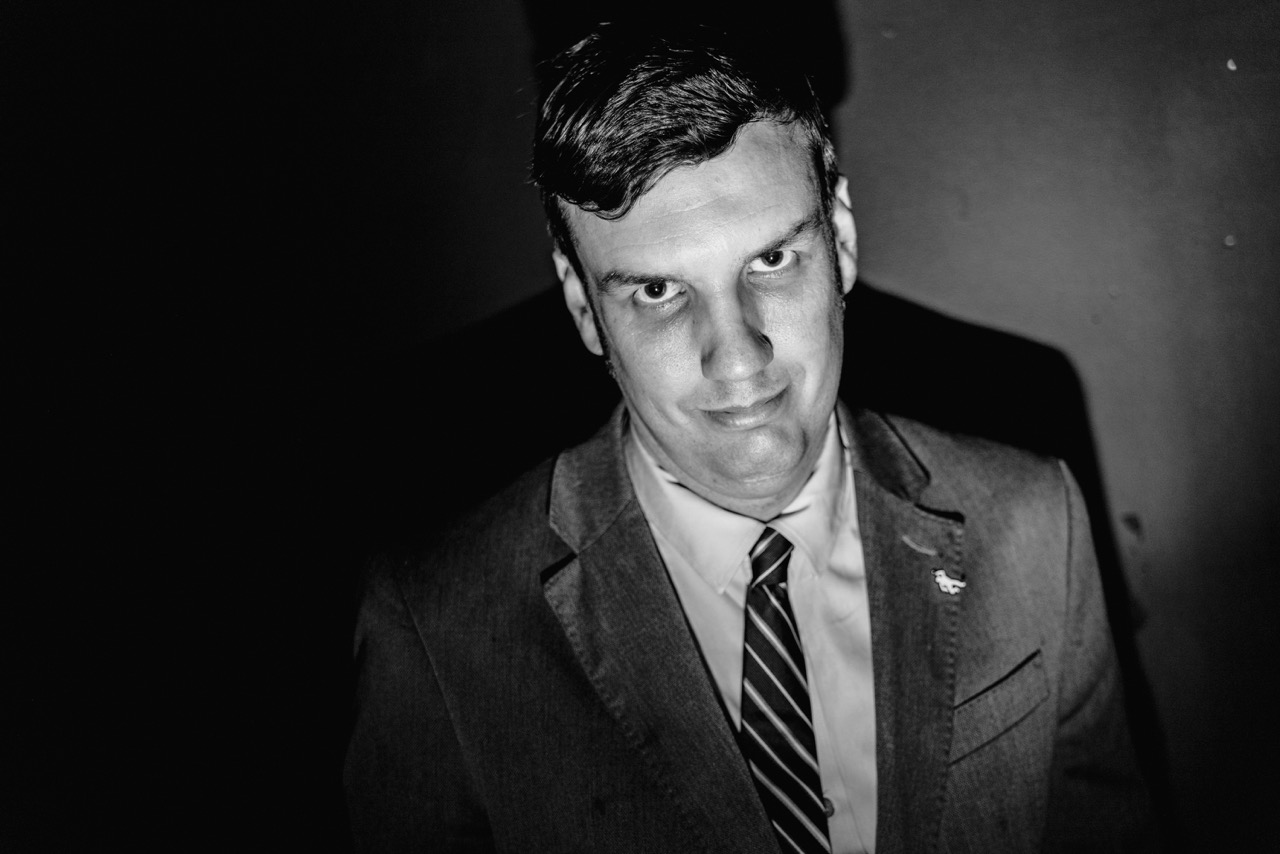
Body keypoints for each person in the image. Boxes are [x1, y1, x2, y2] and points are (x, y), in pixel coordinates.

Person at [344, 24, 1153, 853]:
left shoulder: (1035, 524)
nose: (736, 358)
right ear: (584, 306)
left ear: (840, 240)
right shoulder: (436, 626)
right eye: (657, 291)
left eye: (770, 261)